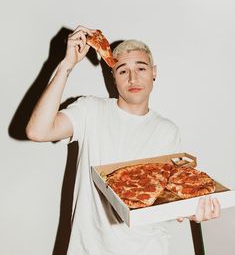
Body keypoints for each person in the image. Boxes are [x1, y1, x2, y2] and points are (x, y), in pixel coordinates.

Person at [26, 25, 220, 255]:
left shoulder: (167, 130)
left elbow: (170, 194)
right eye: (122, 71)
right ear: (113, 78)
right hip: (88, 249)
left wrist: (192, 210)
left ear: (154, 72)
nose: (133, 78)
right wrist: (66, 65)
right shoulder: (90, 110)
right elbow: (37, 132)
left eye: (141, 68)